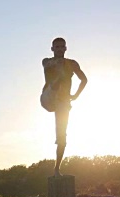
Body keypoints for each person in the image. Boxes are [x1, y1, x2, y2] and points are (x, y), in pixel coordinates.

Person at [41, 37, 87, 177]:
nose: (60, 49)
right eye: (57, 47)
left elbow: (84, 79)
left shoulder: (72, 63)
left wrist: (76, 95)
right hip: (48, 98)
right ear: (52, 49)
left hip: (63, 102)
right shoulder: (47, 61)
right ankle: (58, 85)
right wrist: (62, 72)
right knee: (59, 78)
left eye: (62, 47)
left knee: (62, 137)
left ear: (65, 48)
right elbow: (49, 66)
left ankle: (57, 169)